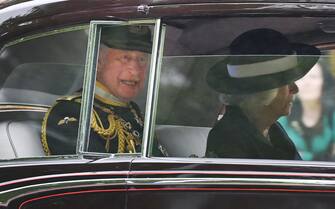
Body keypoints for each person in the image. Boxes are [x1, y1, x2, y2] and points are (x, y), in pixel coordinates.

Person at [205, 28, 320, 159]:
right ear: (262, 94)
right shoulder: (229, 139)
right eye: (287, 83)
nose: (295, 89)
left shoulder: (271, 129)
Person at [41, 25, 156, 155]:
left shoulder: (133, 111)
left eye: (142, 60)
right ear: (99, 61)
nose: (135, 71)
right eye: (125, 58)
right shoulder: (73, 112)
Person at [279, 61, 335, 160]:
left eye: (313, 77)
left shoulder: (332, 115)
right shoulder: (282, 114)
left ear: (324, 82)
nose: (307, 83)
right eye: (302, 78)